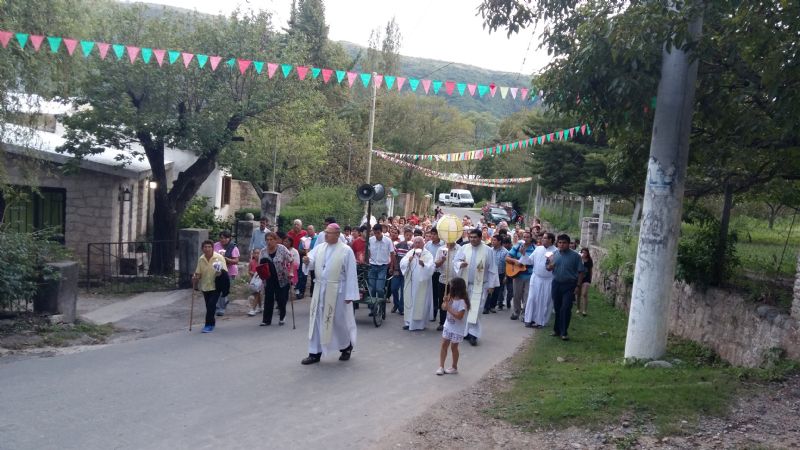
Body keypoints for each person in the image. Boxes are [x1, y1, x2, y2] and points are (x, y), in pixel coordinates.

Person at [301, 223, 359, 365]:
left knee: (337, 321)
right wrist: (307, 261)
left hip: (338, 291)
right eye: (325, 232)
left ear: (337, 235)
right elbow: (312, 262)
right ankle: (314, 353)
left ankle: (346, 346)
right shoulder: (320, 247)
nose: (325, 235)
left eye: (329, 233)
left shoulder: (346, 251)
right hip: (320, 289)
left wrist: (350, 295)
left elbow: (351, 273)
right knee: (316, 320)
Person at [453, 229, 499, 345]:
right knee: (465, 308)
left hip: (480, 285)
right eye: (471, 237)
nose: (472, 239)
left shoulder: (488, 251)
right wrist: (460, 264)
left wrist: (492, 285)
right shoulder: (464, 248)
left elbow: (493, 268)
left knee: (476, 310)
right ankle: (465, 332)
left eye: (475, 237)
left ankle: (473, 334)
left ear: (480, 238)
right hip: (466, 285)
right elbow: (456, 261)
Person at [546, 234, 585, 340]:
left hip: (569, 285)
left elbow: (581, 272)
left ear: (568, 244)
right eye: (560, 243)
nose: (561, 245)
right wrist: (550, 266)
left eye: (564, 243)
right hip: (556, 283)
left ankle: (564, 332)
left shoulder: (576, 256)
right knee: (557, 308)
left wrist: (578, 286)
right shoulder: (554, 254)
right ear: (557, 243)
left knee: (566, 308)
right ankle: (556, 330)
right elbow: (548, 268)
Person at [520, 232, 557, 328]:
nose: (542, 240)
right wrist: (524, 254)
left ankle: (541, 321)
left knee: (544, 300)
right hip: (536, 277)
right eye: (542, 238)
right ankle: (529, 319)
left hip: (548, 279)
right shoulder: (538, 249)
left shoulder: (556, 251)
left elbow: (554, 266)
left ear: (550, 240)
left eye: (545, 238)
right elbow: (529, 261)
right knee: (532, 298)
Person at [436, 277, 470, 376]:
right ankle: (441, 366)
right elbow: (443, 307)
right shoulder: (451, 296)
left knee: (454, 347)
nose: (450, 286)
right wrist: (445, 302)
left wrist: (448, 308)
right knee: (444, 345)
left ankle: (454, 367)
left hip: (457, 328)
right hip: (448, 325)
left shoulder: (463, 302)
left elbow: (459, 316)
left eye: (452, 285)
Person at [192, 240, 228, 333]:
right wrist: (195, 277)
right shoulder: (201, 259)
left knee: (211, 305)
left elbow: (225, 272)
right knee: (209, 306)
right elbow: (198, 273)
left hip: (216, 286)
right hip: (205, 286)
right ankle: (212, 323)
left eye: (209, 247)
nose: (207, 249)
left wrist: (219, 273)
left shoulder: (219, 258)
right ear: (202, 248)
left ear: (212, 248)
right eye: (205, 247)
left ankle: (208, 325)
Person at [259, 232, 293, 326]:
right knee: (268, 299)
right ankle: (266, 320)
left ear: (276, 240)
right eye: (267, 240)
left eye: (271, 239)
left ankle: (282, 316)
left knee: (281, 299)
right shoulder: (263, 251)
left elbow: (291, 260)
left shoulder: (282, 249)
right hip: (269, 279)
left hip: (282, 277)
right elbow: (260, 265)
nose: (269, 242)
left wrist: (291, 272)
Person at [400, 236, 435, 330]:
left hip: (422, 283)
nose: (418, 244)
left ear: (423, 243)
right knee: (410, 300)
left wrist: (424, 264)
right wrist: (408, 260)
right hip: (411, 282)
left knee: (420, 302)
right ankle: (408, 322)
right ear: (413, 244)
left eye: (419, 242)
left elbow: (431, 266)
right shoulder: (410, 252)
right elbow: (402, 263)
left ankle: (420, 324)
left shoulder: (428, 254)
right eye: (416, 242)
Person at [505, 231, 535, 321]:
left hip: (529, 275)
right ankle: (516, 312)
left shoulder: (535, 249)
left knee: (527, 295)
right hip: (517, 275)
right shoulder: (518, 246)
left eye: (528, 237)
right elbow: (507, 257)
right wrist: (515, 261)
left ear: (531, 238)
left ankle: (524, 314)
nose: (526, 239)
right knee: (516, 295)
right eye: (524, 237)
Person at [434, 238, 460, 331]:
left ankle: (453, 322)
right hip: (443, 280)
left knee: (454, 302)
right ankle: (442, 322)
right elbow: (436, 264)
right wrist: (442, 260)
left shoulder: (460, 249)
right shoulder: (441, 249)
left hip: (455, 281)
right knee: (443, 301)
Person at [368, 223, 395, 306]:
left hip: (383, 267)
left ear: (381, 231)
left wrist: (391, 267)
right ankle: (372, 307)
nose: (376, 235)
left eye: (378, 233)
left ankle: (381, 304)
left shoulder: (388, 241)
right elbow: (368, 252)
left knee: (379, 288)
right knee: (371, 288)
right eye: (375, 233)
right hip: (372, 266)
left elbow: (392, 254)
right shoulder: (370, 240)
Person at [213, 231, 239, 316]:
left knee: (223, 290)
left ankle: (221, 308)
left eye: (225, 238)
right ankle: (219, 305)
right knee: (216, 289)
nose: (223, 239)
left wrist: (226, 259)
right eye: (221, 238)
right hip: (217, 271)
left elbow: (236, 261)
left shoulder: (233, 247)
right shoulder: (216, 245)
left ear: (229, 238)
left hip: (229, 271)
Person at [424, 228, 446, 323]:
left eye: (434, 234)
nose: (432, 236)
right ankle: (432, 313)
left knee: (438, 294)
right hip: (430, 271)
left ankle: (439, 313)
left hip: (439, 271)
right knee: (431, 293)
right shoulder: (428, 244)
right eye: (431, 234)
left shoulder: (443, 245)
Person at [391, 227, 413, 314]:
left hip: (407, 272)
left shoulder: (412, 247)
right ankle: (396, 304)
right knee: (394, 288)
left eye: (410, 235)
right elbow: (394, 257)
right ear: (404, 235)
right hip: (398, 270)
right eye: (407, 235)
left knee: (404, 290)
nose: (408, 237)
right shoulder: (398, 245)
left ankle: (401, 307)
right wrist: (394, 268)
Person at [484, 235, 507, 314]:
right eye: (492, 240)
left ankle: (492, 306)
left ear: (499, 241)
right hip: (490, 273)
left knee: (496, 291)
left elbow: (507, 265)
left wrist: (505, 276)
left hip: (500, 274)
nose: (492, 242)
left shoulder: (505, 252)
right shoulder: (490, 250)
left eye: (494, 240)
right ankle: (486, 307)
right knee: (489, 289)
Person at [247, 248, 263, 317]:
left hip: (260, 280)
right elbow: (249, 270)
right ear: (253, 254)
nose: (256, 255)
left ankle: (253, 309)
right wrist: (252, 273)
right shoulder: (251, 262)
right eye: (255, 253)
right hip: (253, 280)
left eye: (258, 253)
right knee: (257, 294)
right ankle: (260, 307)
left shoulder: (262, 262)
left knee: (256, 293)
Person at [578, 248, 593, 316]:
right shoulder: (578, 259)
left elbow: (590, 270)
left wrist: (590, 279)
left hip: (586, 279)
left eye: (585, 253)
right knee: (578, 294)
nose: (584, 254)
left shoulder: (589, 260)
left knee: (584, 294)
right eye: (583, 252)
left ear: (587, 253)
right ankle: (578, 308)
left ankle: (584, 310)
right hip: (579, 278)